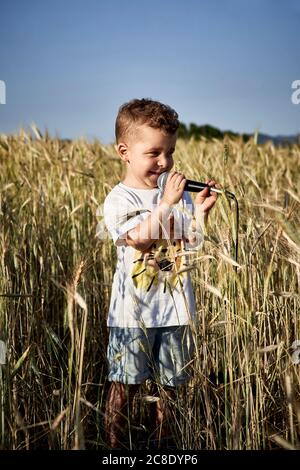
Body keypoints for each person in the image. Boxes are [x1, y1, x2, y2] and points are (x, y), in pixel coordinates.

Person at [103, 98, 218, 448]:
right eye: (154, 153)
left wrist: (198, 212)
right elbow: (138, 239)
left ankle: (162, 447)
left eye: (170, 152)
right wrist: (165, 203)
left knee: (171, 390)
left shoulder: (180, 197)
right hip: (132, 315)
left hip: (176, 311)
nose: (164, 162)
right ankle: (113, 447)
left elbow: (190, 244)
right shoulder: (119, 199)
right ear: (125, 151)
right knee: (125, 385)